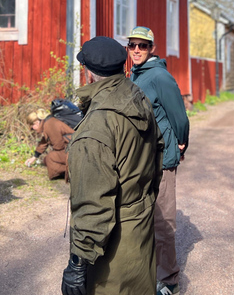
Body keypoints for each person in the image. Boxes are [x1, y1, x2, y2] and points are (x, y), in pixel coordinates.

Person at [61, 36, 163, 295]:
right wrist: (145, 197)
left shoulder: (97, 127)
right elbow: (157, 150)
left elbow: (94, 202)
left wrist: (77, 264)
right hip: (140, 222)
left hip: (114, 243)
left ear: (88, 72)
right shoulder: (135, 95)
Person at [127, 26, 189, 295]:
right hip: (144, 157)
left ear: (151, 48)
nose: (137, 50)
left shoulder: (160, 77)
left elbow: (180, 117)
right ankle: (151, 270)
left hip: (162, 157)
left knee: (163, 220)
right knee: (146, 215)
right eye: (132, 45)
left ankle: (170, 280)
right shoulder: (135, 75)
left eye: (143, 46)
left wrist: (182, 141)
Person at [23, 108, 75, 180]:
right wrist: (34, 157)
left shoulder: (50, 125)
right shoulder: (48, 123)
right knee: (46, 160)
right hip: (72, 148)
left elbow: (59, 146)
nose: (32, 129)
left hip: (75, 150)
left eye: (32, 126)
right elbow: (44, 142)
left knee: (50, 158)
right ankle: (68, 170)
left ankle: (72, 171)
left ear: (37, 122)